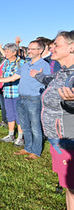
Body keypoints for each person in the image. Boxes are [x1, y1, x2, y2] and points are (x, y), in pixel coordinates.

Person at [0, 40, 51, 159]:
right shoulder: (26, 64)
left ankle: (36, 151)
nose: (29, 51)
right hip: (21, 98)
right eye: (29, 49)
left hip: (34, 99)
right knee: (25, 125)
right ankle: (27, 148)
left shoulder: (44, 65)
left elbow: (48, 81)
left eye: (32, 49)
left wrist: (40, 77)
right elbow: (13, 78)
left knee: (35, 126)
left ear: (40, 50)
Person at [31, 30, 74, 209]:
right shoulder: (63, 73)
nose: (51, 47)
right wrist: (37, 76)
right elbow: (50, 80)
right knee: (70, 188)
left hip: (69, 140)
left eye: (56, 44)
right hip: (58, 138)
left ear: (72, 47)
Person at [0, 43, 25, 146]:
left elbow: (14, 77)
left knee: (19, 116)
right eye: (5, 51)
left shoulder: (21, 63)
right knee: (10, 115)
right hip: (7, 93)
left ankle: (20, 138)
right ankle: (11, 135)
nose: (5, 53)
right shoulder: (6, 62)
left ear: (14, 52)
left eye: (7, 51)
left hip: (17, 94)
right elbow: (3, 75)